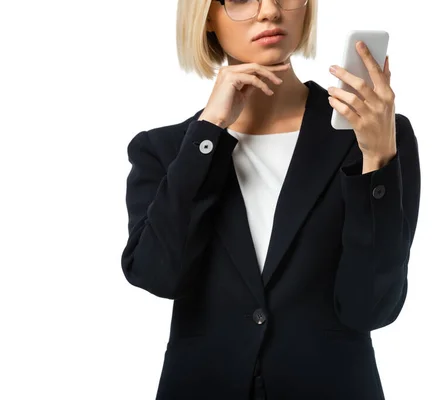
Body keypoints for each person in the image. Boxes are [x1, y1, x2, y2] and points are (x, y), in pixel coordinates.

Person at [121, 0, 421, 399]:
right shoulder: (166, 149)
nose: (269, 11)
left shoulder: (374, 136)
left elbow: (371, 307)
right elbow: (157, 275)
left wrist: (378, 159)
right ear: (207, 15)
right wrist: (208, 131)